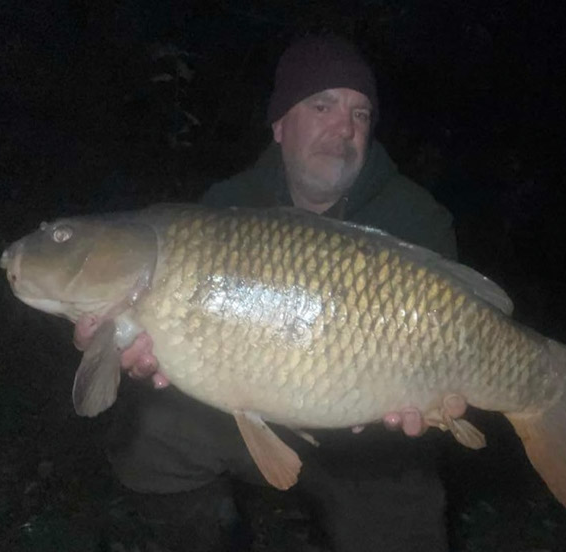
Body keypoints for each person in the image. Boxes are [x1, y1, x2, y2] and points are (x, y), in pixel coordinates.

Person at [103, 35, 465, 552]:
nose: (345, 128)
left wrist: (430, 403)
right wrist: (145, 359)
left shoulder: (415, 219)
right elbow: (172, 345)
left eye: (361, 115)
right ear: (279, 125)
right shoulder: (225, 208)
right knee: (148, 433)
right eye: (323, 106)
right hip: (247, 420)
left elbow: (446, 357)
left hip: (369, 435)